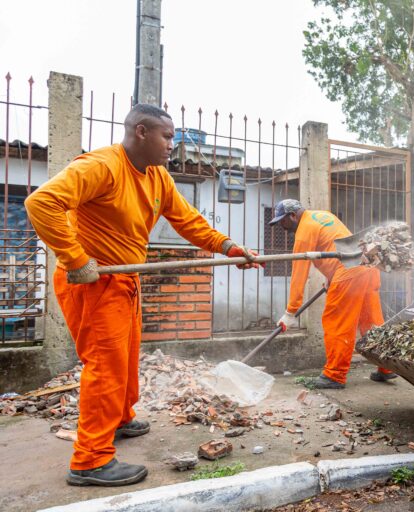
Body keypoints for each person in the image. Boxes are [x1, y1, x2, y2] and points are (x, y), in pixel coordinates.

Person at [24, 104, 261, 487]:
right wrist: (75, 258)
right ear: (140, 132)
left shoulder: (157, 177)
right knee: (106, 366)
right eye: (167, 136)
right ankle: (90, 460)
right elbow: (40, 203)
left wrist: (228, 246)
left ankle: (119, 420)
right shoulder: (102, 166)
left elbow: (188, 221)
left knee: (127, 357)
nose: (173, 144)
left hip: (124, 280)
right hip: (91, 282)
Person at [270, 198, 397, 389]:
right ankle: (387, 367)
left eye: (282, 220)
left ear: (293, 215)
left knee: (336, 322)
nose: (281, 225)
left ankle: (334, 375)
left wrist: (291, 312)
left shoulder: (304, 232)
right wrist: (331, 276)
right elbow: (344, 245)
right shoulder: (323, 216)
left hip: (349, 273)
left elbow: (299, 273)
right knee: (372, 322)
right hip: (368, 268)